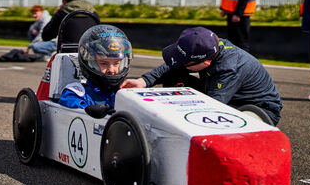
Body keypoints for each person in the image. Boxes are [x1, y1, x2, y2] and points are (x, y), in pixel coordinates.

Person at [121, 26, 283, 126]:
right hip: (229, 97)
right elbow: (173, 65)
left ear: (205, 63)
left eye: (186, 63)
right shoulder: (211, 46)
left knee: (218, 130)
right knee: (174, 77)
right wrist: (144, 81)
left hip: (261, 110)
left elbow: (213, 108)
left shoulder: (229, 68)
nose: (181, 64)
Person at [58, 24, 132, 109]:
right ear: (90, 63)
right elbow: (71, 102)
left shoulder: (124, 92)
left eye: (116, 63)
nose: (111, 70)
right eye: (104, 63)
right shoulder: (76, 92)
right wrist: (92, 110)